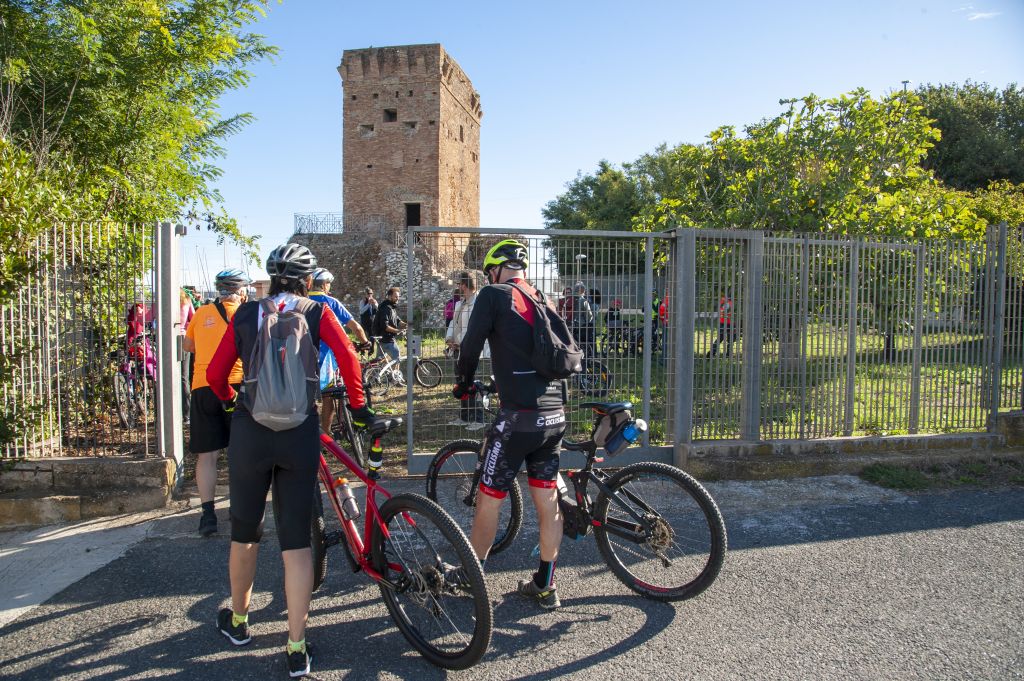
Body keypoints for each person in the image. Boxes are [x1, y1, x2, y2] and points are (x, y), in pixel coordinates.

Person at [207, 243, 381, 678]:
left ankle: (241, 622)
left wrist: (233, 404)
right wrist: (359, 410)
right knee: (296, 542)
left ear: (269, 277)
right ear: (307, 280)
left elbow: (214, 374)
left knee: (245, 532)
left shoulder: (246, 313)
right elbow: (349, 361)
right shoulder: (319, 312)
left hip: (251, 432)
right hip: (300, 431)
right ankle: (296, 646)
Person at [453, 239, 567, 610]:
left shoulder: (493, 294)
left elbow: (470, 347)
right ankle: (545, 586)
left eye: (489, 272)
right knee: (547, 499)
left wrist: (463, 383)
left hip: (517, 419)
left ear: (496, 270)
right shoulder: (542, 298)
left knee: (490, 499)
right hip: (554, 416)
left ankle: (473, 577)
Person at [182, 269, 250, 537]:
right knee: (239, 451)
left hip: (203, 387)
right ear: (241, 292)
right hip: (236, 387)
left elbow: (189, 346)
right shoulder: (245, 314)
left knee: (207, 456)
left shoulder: (201, 313)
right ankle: (237, 510)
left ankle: (207, 515)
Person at [309, 268, 370, 434]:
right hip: (327, 358)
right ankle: (327, 434)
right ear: (324, 285)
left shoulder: (302, 301)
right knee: (328, 395)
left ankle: (309, 433)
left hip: (303, 357)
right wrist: (365, 343)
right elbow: (356, 327)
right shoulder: (331, 302)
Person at [445, 272, 486, 431]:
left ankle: (478, 418)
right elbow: (453, 324)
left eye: (459, 284)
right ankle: (464, 416)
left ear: (464, 284)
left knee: (473, 383)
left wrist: (460, 343)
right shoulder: (459, 304)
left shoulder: (478, 304)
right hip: (457, 349)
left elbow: (474, 329)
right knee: (461, 383)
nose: (458, 287)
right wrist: (449, 339)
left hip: (470, 350)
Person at [372, 286, 407, 380]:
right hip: (386, 338)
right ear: (390, 296)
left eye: (398, 296)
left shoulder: (391, 307)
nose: (397, 298)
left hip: (382, 338)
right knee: (397, 355)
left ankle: (375, 376)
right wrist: (397, 331)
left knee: (380, 360)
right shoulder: (385, 309)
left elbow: (397, 319)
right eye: (396, 296)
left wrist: (406, 325)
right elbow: (385, 326)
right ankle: (396, 378)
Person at [570, 282, 595, 359]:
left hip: (568, 325)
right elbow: (589, 316)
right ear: (582, 291)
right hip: (580, 326)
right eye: (584, 291)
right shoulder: (583, 301)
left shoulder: (568, 299)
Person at [709, 292, 735, 357]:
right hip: (726, 323)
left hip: (726, 323)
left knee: (727, 339)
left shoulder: (723, 302)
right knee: (726, 339)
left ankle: (713, 353)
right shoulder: (726, 303)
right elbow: (725, 312)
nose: (722, 298)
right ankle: (712, 353)